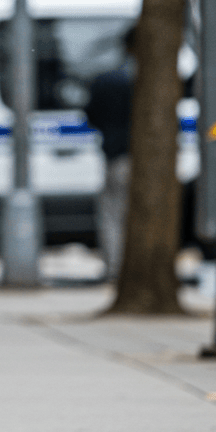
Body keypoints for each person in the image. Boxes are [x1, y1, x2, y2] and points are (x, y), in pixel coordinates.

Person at [84, 30, 135, 282]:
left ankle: (115, 269)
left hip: (116, 155)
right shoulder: (154, 81)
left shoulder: (107, 80)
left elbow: (91, 115)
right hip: (138, 158)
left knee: (112, 214)